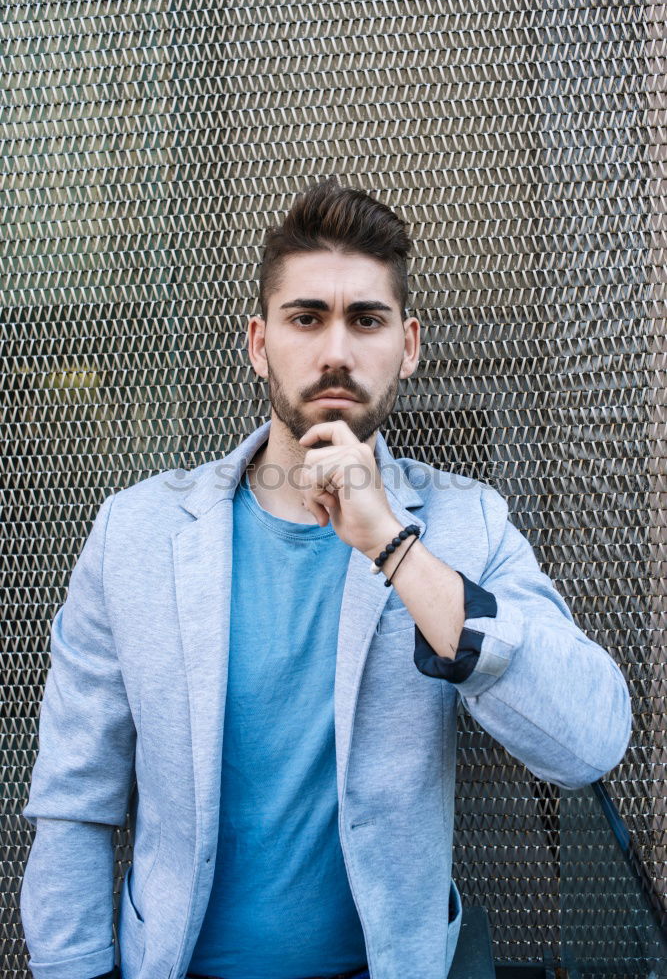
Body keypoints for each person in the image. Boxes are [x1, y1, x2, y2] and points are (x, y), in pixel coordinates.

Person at [20, 176, 632, 979]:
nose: (336, 350)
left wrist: (392, 546)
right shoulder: (135, 533)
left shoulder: (465, 521)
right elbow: (74, 800)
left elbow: (586, 741)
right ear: (258, 343)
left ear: (408, 347)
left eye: (366, 320)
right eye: (305, 318)